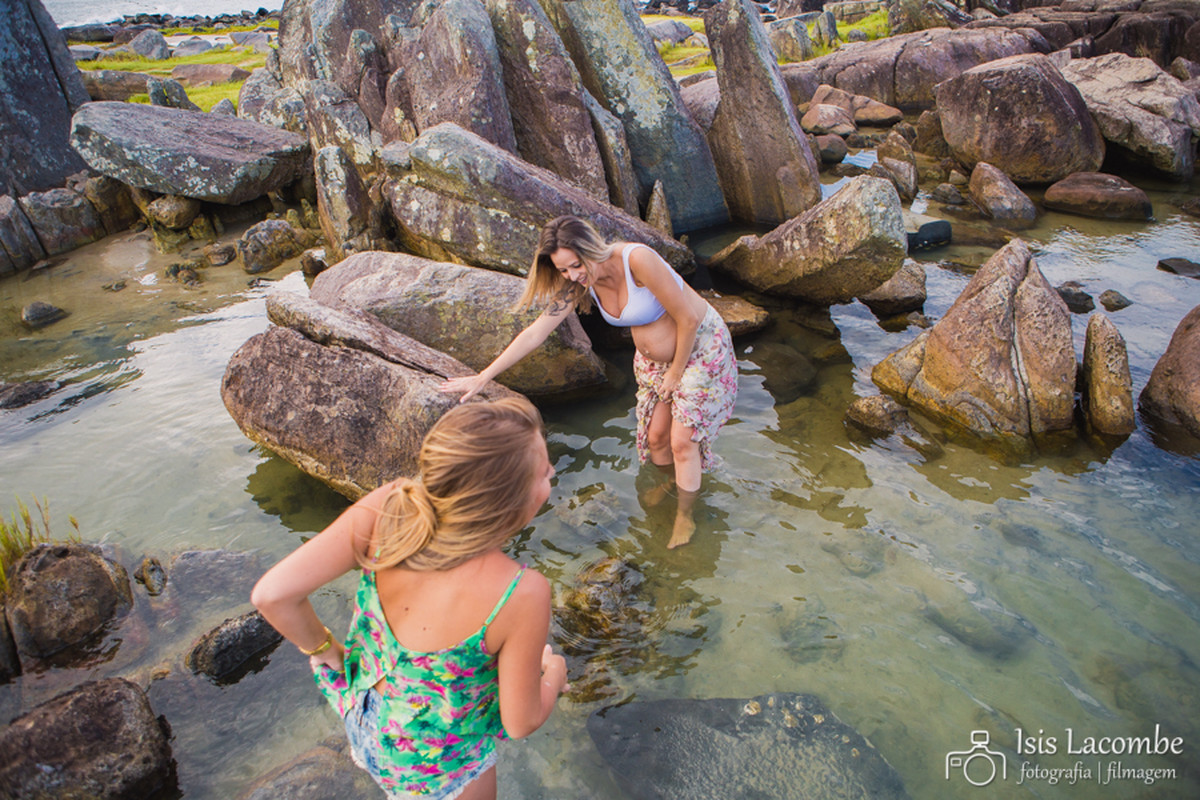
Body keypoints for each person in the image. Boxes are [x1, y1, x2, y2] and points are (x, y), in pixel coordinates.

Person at [252, 397, 570, 800]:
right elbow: (520, 723)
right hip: (436, 766)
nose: (552, 473)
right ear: (511, 502)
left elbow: (273, 594)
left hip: (362, 719)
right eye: (544, 472)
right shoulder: (522, 592)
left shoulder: (389, 505)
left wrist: (323, 648)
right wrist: (554, 674)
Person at [439, 215, 737, 548]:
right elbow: (536, 332)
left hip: (698, 349)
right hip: (656, 363)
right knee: (656, 438)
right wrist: (483, 376)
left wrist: (676, 373)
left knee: (682, 442)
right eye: (563, 270)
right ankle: (672, 484)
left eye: (576, 265)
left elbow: (689, 318)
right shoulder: (579, 283)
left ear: (591, 247)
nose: (572, 275)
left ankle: (685, 515)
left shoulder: (637, 260)